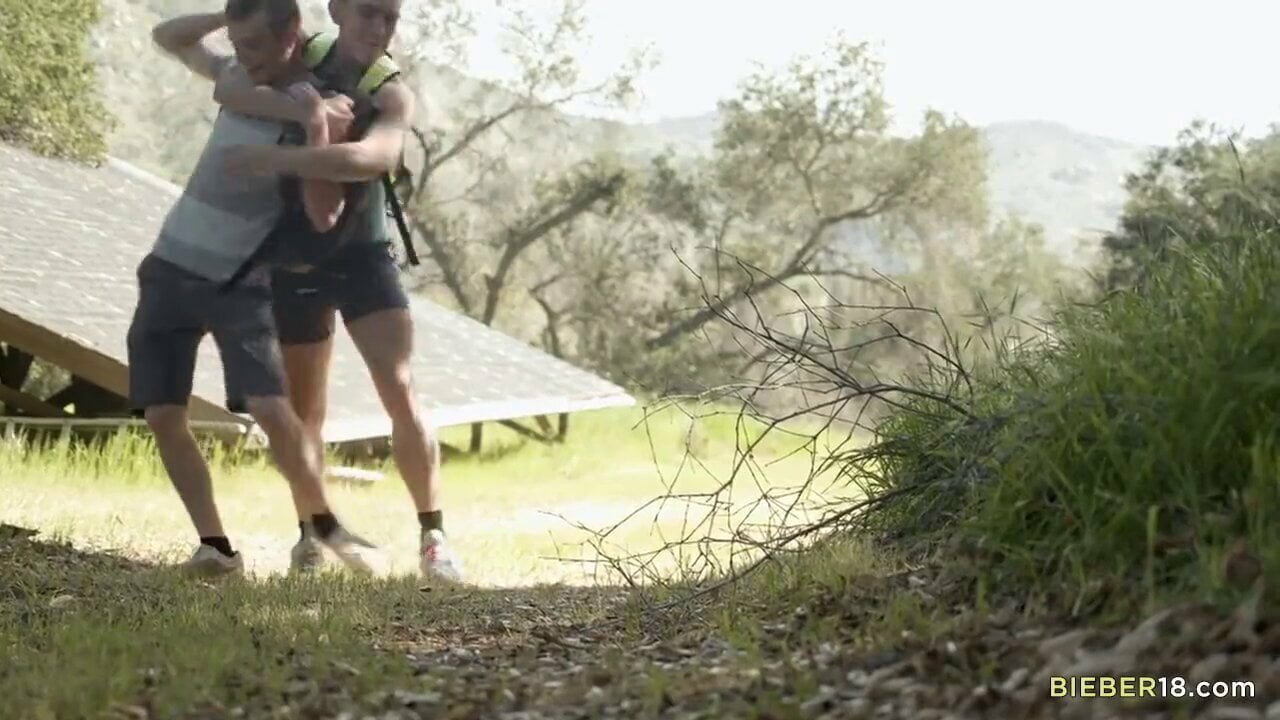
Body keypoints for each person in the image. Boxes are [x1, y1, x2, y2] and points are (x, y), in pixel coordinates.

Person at [197, 0, 463, 582]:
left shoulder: (390, 93)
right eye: (368, 13)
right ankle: (310, 537)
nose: (379, 28)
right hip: (293, 261)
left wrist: (280, 153)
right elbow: (226, 83)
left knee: (399, 387)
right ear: (337, 9)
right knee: (305, 414)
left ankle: (434, 537)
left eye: (390, 18)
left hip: (362, 257)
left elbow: (374, 156)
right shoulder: (297, 57)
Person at [132, 0, 382, 577]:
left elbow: (324, 214)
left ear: (292, 33)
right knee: (163, 415)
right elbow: (167, 36)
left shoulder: (330, 106)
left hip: (239, 277)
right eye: (238, 44)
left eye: (255, 44)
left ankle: (324, 526)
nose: (244, 56)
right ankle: (216, 548)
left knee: (272, 408)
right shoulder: (240, 75)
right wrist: (231, 18)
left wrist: (313, 124)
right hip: (169, 265)